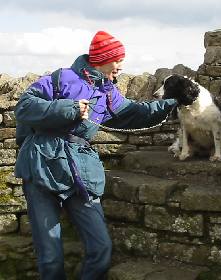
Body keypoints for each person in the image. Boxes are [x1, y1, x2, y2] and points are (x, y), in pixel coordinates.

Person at [14, 30, 176, 280]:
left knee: (101, 248)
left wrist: (172, 102)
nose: (121, 67)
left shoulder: (108, 92)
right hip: (41, 166)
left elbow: (133, 112)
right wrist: (69, 108)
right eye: (118, 60)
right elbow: (24, 107)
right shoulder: (60, 78)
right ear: (103, 58)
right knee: (50, 258)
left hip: (80, 171)